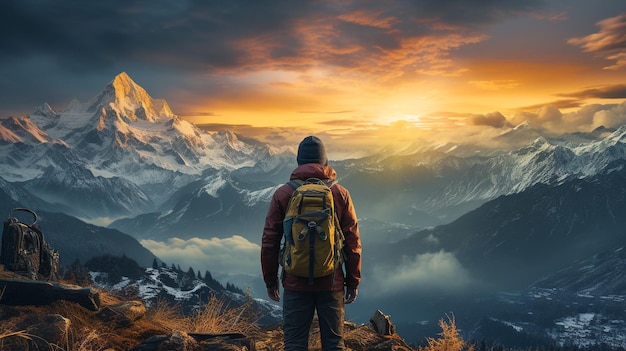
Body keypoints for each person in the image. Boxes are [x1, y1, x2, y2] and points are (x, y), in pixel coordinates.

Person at [261, 135, 362, 351]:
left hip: (295, 281)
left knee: (295, 344)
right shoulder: (340, 194)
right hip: (331, 281)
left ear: (298, 163)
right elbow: (352, 242)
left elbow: (270, 241)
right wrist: (353, 282)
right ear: (325, 162)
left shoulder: (283, 194)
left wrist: (270, 282)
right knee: (334, 344)